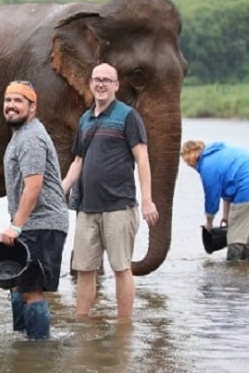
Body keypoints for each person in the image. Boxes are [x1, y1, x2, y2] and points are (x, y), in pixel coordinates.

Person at [61, 63, 159, 319]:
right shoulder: (85, 119)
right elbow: (78, 162)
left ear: (116, 85)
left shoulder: (127, 116)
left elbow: (143, 158)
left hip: (119, 207)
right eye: (96, 80)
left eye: (107, 80)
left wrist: (147, 200)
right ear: (91, 84)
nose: (101, 84)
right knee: (84, 269)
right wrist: (60, 190)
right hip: (86, 209)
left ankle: (124, 328)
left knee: (120, 268)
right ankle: (82, 323)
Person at [0, 80, 69, 340]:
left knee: (31, 290)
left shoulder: (31, 138)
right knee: (18, 286)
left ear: (32, 107)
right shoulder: (20, 136)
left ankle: (38, 352)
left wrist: (16, 226)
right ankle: (22, 347)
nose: (11, 106)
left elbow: (33, 186)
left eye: (18, 101)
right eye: (8, 101)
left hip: (43, 225)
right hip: (32, 225)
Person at [180, 140, 249, 261]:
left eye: (188, 163)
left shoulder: (207, 166)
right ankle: (246, 268)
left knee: (235, 235)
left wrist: (209, 222)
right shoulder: (218, 154)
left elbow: (211, 199)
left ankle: (233, 270)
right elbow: (227, 189)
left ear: (191, 157)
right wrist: (225, 215)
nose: (190, 166)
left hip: (248, 187)